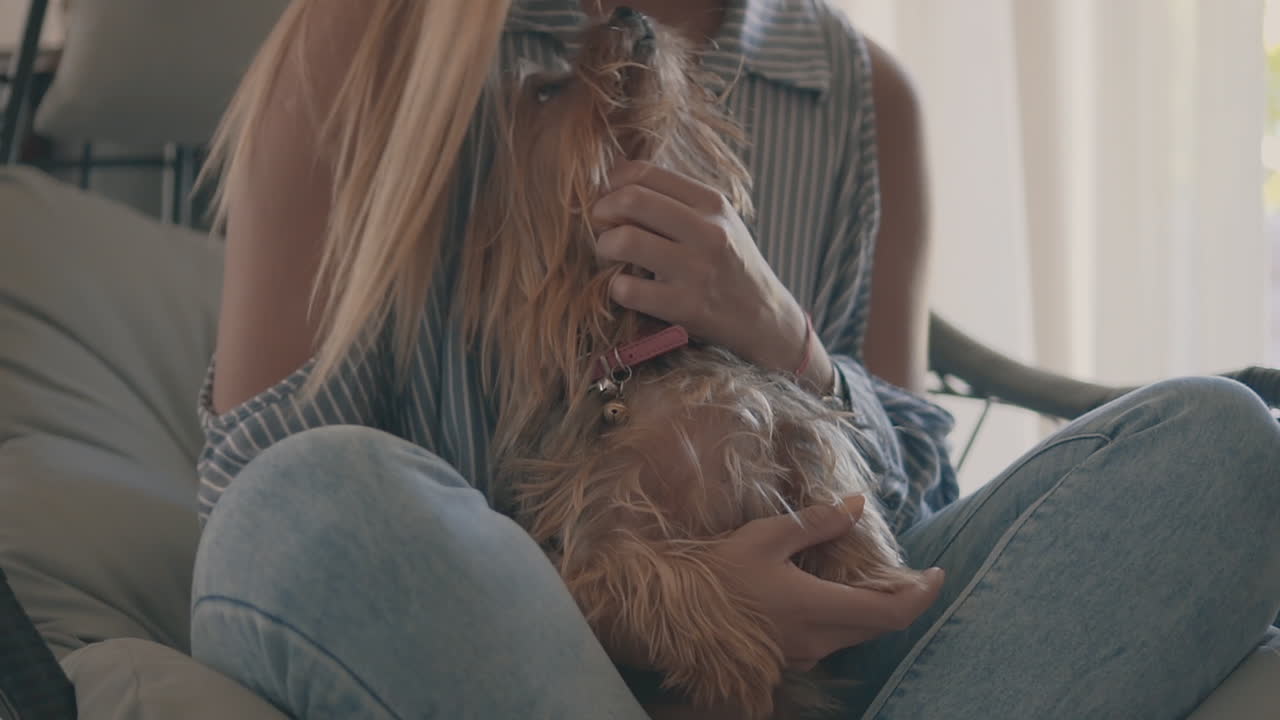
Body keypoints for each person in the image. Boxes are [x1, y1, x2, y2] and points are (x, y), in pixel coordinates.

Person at [191, 0, 1280, 717]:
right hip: (500, 665)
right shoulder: (380, 35)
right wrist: (645, 602)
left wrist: (783, 334)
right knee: (315, 496)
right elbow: (262, 510)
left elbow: (910, 523)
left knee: (1224, 443)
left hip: (835, 670)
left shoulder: (856, 93)